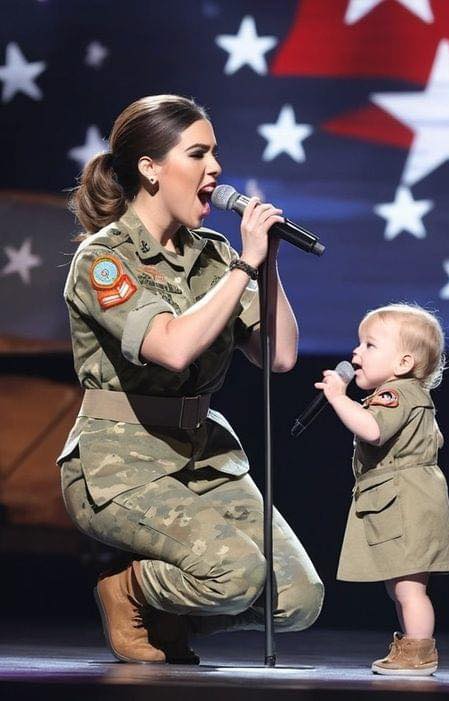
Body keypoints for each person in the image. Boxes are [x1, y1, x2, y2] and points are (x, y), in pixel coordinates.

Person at [58, 94, 324, 664]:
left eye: (216, 154)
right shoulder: (104, 260)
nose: (216, 170)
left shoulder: (216, 256)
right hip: (120, 465)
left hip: (204, 454)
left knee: (298, 600)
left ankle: (163, 613)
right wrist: (244, 268)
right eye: (198, 153)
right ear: (150, 169)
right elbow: (171, 348)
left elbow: (279, 358)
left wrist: (266, 262)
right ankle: (127, 588)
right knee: (235, 574)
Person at [315, 303, 449, 676]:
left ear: (404, 363)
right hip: (403, 499)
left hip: (406, 503)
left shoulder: (397, 394)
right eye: (359, 344)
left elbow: (372, 430)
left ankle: (419, 651)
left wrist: (337, 398)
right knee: (400, 588)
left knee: (410, 588)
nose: (356, 353)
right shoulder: (403, 393)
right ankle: (411, 647)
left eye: (369, 345)